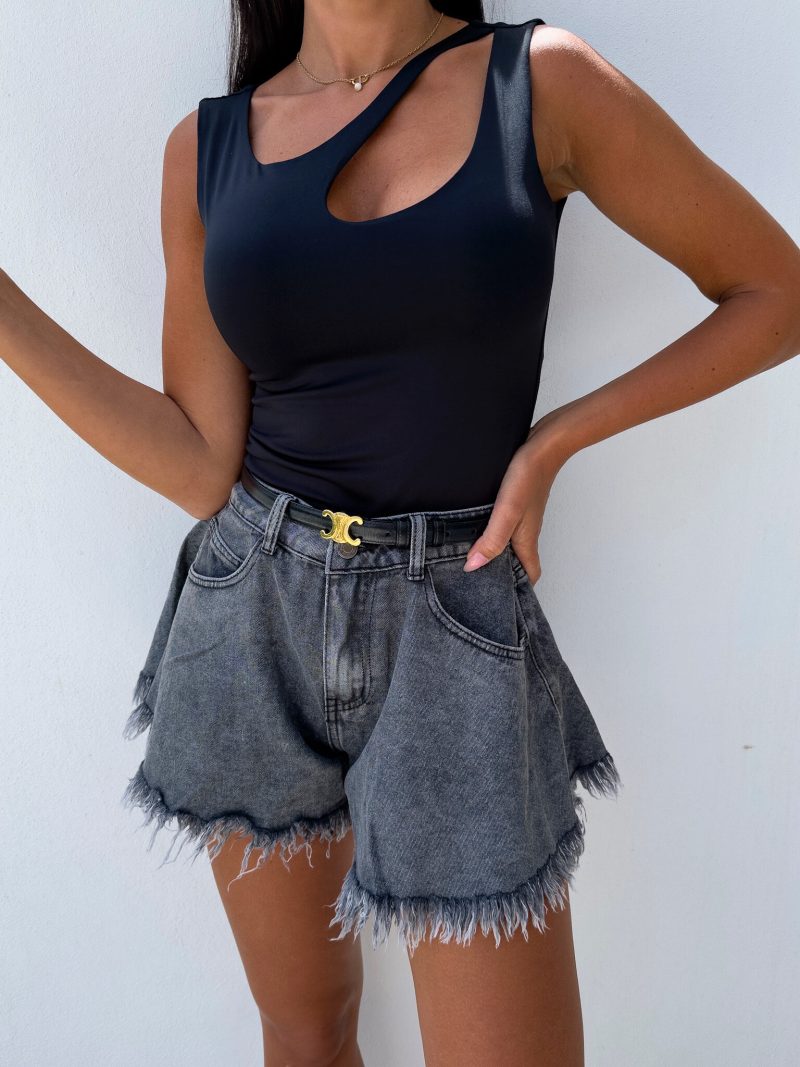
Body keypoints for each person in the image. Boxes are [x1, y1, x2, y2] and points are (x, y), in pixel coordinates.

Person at [2, 2, 799, 1063]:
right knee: (305, 1033)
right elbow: (198, 463)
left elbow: (775, 291)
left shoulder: (539, 83)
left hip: (454, 620)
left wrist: (556, 439)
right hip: (253, 611)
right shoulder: (205, 148)